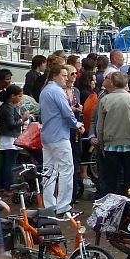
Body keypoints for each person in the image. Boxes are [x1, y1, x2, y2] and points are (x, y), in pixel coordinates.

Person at [95, 71, 130, 200]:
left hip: (110, 145)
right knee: (128, 177)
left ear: (112, 83)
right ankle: (129, 207)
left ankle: (113, 206)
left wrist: (102, 143)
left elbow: (100, 127)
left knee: (111, 179)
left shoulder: (105, 100)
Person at [39, 63, 83, 214]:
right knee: (66, 169)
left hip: (47, 135)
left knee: (49, 170)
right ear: (55, 76)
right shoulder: (57, 91)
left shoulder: (45, 90)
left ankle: (49, 204)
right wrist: (77, 124)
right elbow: (67, 112)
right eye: (63, 75)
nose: (66, 78)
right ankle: (63, 205)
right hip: (59, 135)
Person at [0, 85, 27, 195]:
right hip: (10, 139)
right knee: (9, 164)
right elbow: (11, 124)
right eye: (19, 96)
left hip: (6, 138)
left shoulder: (7, 106)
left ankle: (0, 185)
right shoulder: (8, 106)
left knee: (5, 163)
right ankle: (8, 188)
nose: (20, 98)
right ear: (12, 96)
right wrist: (23, 119)